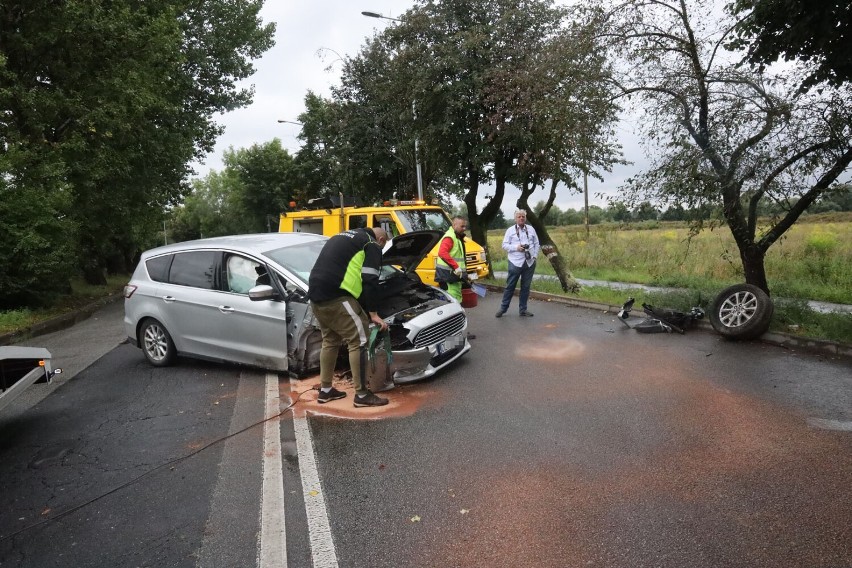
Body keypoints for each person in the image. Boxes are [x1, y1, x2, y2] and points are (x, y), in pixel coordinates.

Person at [307, 227, 390, 407]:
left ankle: (326, 390)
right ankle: (361, 395)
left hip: (316, 295)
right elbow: (370, 279)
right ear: (381, 240)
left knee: (330, 340)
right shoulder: (371, 244)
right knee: (359, 340)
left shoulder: (342, 236)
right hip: (338, 296)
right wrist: (373, 313)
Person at [496, 209, 540, 318]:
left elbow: (536, 243)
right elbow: (504, 245)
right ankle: (503, 308)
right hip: (515, 262)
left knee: (526, 287)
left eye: (523, 216)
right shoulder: (510, 230)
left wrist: (534, 256)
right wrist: (516, 248)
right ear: (515, 219)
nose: (521, 218)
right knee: (510, 286)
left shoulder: (531, 229)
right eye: (519, 216)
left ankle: (523, 310)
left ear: (525, 218)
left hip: (529, 262)